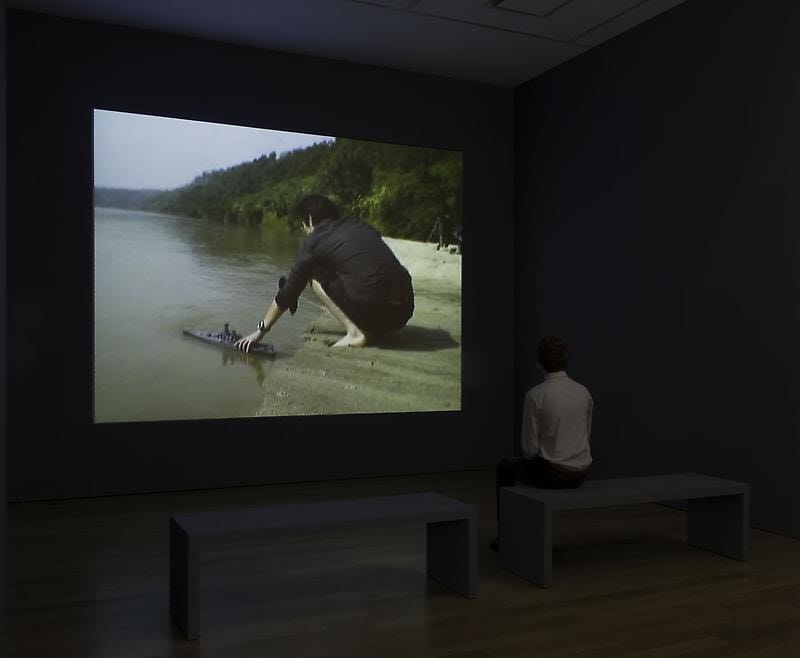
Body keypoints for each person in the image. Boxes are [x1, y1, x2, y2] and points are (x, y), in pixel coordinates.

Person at [235, 194, 414, 351]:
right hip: (403, 312)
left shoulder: (314, 240)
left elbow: (288, 292)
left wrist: (260, 331)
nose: (303, 229)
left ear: (310, 220)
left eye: (302, 224)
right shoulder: (358, 225)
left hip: (374, 313)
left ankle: (355, 333)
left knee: (312, 272)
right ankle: (372, 326)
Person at [491, 336, 593, 551]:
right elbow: (586, 434)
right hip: (582, 472)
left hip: (555, 474)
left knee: (505, 466)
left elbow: (529, 451)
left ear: (538, 361)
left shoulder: (536, 395)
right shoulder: (584, 392)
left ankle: (506, 535)